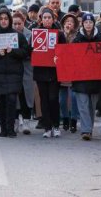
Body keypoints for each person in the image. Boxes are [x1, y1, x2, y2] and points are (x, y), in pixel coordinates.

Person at [0, 10, 30, 138]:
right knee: (1, 102)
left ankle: (10, 128)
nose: (3, 21)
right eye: (1, 18)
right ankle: (3, 127)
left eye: (6, 18)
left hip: (14, 74)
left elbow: (26, 52)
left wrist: (13, 51)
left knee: (11, 100)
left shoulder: (18, 36)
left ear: (9, 20)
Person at [33, 9, 67, 138]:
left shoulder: (59, 34)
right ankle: (47, 127)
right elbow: (32, 50)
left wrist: (59, 58)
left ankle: (56, 125)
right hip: (40, 71)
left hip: (54, 71)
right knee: (44, 100)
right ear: (41, 19)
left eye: (49, 17)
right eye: (45, 17)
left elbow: (64, 52)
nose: (47, 20)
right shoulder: (36, 33)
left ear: (53, 19)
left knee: (53, 98)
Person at [72, 13, 101, 141]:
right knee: (83, 105)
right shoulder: (77, 39)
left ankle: (88, 129)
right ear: (83, 24)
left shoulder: (100, 40)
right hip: (81, 78)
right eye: (86, 22)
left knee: (92, 105)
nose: (88, 24)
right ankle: (85, 130)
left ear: (93, 23)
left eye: (90, 22)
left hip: (95, 79)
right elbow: (71, 57)